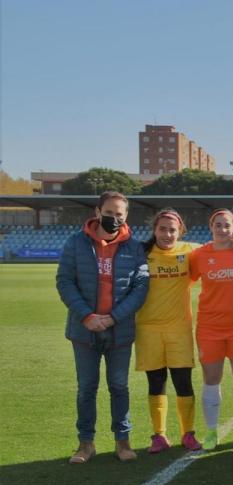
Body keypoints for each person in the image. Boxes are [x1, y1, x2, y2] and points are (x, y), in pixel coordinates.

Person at [135, 209, 233, 454]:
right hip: (148, 328)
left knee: (183, 382)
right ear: (154, 230)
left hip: (179, 328)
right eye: (162, 229)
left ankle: (188, 434)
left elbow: (221, 243)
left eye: (172, 230)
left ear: (181, 232)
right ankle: (159, 435)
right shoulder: (141, 254)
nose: (167, 234)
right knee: (156, 382)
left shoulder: (190, 251)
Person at [58, 191, 149, 464]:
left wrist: (114, 317)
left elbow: (141, 287)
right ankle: (86, 444)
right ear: (97, 212)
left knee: (119, 386)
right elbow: (65, 282)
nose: (114, 218)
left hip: (118, 330)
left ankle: (123, 442)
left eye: (119, 214)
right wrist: (87, 316)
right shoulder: (76, 243)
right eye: (109, 213)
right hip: (83, 330)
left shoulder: (133, 247)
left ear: (126, 216)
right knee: (86, 387)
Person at [188, 209, 233, 450]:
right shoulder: (199, 255)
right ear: (211, 227)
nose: (222, 229)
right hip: (209, 327)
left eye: (227, 225)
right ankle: (211, 432)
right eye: (218, 225)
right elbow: (185, 280)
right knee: (211, 379)